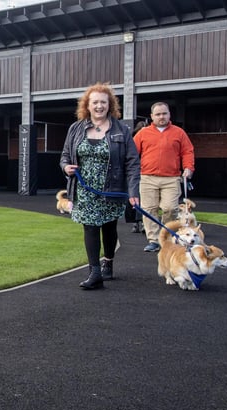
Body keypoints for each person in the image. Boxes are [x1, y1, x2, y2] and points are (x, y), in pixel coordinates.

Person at [59, 82, 140, 290]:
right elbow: (65, 156)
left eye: (103, 102)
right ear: (87, 104)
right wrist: (66, 166)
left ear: (110, 104)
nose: (99, 106)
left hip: (111, 188)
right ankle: (94, 272)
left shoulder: (121, 129)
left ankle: (108, 261)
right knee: (90, 226)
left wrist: (133, 192)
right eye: (95, 102)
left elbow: (132, 162)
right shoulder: (76, 128)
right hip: (85, 189)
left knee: (109, 227)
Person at [133, 102, 195, 252]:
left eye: (164, 113)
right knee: (149, 210)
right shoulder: (143, 133)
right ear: (152, 116)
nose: (161, 117)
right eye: (158, 114)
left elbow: (188, 151)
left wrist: (188, 168)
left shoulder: (179, 133)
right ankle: (153, 240)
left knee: (170, 208)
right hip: (147, 177)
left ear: (169, 114)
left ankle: (165, 236)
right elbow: (133, 153)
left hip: (171, 178)